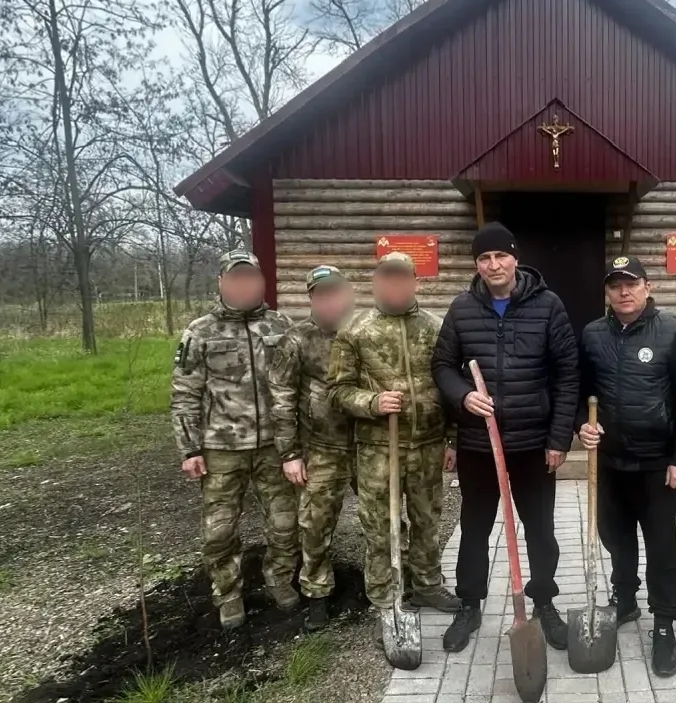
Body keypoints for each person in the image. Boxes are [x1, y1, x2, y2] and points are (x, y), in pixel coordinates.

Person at [431, 221, 580, 653]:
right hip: (479, 444)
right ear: (476, 264)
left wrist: (558, 439)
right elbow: (442, 366)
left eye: (500, 255)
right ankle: (470, 604)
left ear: (515, 258)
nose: (493, 265)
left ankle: (545, 604)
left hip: (533, 443)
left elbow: (567, 374)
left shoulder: (548, 305)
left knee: (539, 528)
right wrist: (463, 397)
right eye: (484, 258)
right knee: (474, 527)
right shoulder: (461, 308)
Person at [576, 255, 676, 678]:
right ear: (608, 293)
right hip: (610, 462)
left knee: (662, 547)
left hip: (655, 464)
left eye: (631, 283)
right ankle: (625, 598)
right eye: (615, 285)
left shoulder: (672, 333)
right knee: (614, 536)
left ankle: (664, 623)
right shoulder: (593, 334)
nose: (623, 291)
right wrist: (582, 425)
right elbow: (581, 390)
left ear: (647, 287)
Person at [327, 252, 461, 635]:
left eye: (403, 279)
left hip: (428, 445)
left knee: (427, 521)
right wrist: (371, 403)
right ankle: (386, 597)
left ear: (416, 282)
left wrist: (451, 439)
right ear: (375, 282)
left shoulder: (436, 328)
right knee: (381, 525)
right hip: (377, 449)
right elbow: (337, 391)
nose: (396, 286)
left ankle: (428, 587)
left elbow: (450, 387)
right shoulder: (355, 330)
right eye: (388, 279)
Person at [170, 250, 298, 629]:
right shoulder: (200, 332)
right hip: (221, 447)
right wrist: (189, 447)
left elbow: (297, 385)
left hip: (275, 446)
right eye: (235, 278)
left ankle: (279, 578)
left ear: (261, 281)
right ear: (222, 283)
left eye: (250, 278)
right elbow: (184, 392)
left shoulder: (281, 325)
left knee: (285, 522)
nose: (244, 285)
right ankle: (228, 593)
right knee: (220, 529)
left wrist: (297, 441)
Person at [268, 265, 357, 631]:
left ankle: (389, 584)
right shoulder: (295, 340)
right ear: (311, 298)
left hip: (366, 445)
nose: (330, 300)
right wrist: (289, 454)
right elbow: (282, 399)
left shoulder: (362, 331)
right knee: (315, 524)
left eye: (335, 292)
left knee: (383, 519)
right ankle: (317, 592)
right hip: (321, 448)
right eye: (321, 294)